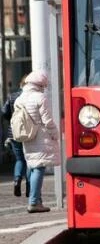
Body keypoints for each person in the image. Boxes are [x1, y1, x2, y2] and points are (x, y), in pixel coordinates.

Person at [16, 70, 61, 213]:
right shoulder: (40, 97)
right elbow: (47, 121)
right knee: (39, 167)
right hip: (41, 136)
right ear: (40, 84)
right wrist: (55, 134)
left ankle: (37, 200)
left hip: (27, 136)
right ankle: (34, 202)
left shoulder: (20, 98)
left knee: (32, 166)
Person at [2, 76, 29, 198]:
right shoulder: (31, 97)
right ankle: (30, 187)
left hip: (14, 132)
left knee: (19, 159)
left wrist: (12, 120)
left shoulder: (12, 96)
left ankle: (17, 180)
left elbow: (4, 112)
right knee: (29, 160)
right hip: (29, 133)